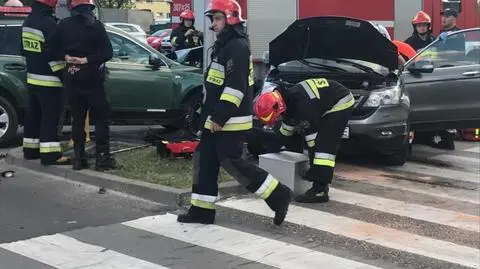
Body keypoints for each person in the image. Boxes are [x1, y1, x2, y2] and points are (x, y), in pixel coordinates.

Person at [177, 0, 293, 225]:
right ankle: (202, 211)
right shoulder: (223, 46)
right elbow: (215, 84)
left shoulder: (237, 47)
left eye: (218, 18)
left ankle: (279, 195)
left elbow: (235, 88)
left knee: (233, 162)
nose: (214, 24)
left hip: (229, 122)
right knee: (205, 161)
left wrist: (219, 117)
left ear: (230, 19)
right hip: (215, 121)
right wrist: (202, 113)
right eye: (212, 19)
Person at [254, 78, 354, 203]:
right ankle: (319, 183)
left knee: (324, 147)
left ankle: (320, 190)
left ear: (278, 108)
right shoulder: (288, 102)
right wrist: (269, 157)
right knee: (316, 144)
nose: (278, 119)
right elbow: (284, 134)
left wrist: (313, 172)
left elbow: (313, 144)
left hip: (340, 102)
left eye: (277, 117)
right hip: (323, 102)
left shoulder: (303, 107)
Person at [48, 0, 116, 171]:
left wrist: (67, 58)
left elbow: (50, 48)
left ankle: (79, 158)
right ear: (89, 8)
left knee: (77, 119)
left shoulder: (63, 25)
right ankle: (102, 158)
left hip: (71, 74)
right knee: (101, 118)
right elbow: (108, 52)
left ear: (72, 9)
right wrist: (87, 60)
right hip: (91, 75)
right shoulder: (96, 26)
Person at [21, 0, 71, 165]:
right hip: (50, 82)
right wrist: (64, 77)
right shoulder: (48, 24)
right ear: (50, 5)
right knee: (50, 117)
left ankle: (30, 150)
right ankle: (50, 155)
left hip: (32, 79)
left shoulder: (28, 22)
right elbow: (54, 54)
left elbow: (24, 51)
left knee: (33, 116)